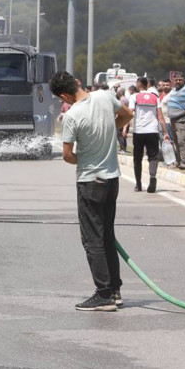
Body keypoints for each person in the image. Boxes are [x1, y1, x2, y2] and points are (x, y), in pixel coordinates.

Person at [51, 71, 133, 311]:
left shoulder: (72, 115)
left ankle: (104, 294)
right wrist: (109, 130)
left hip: (90, 182)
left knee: (92, 240)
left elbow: (68, 155)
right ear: (77, 82)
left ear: (64, 96)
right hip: (112, 179)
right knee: (107, 236)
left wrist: (84, 158)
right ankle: (115, 290)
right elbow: (127, 115)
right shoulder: (105, 96)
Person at [129, 77, 169, 193]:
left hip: (139, 131)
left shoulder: (134, 97)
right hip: (152, 131)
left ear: (138, 84)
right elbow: (160, 116)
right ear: (147, 85)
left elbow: (130, 113)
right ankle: (152, 176)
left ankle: (138, 184)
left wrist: (125, 128)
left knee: (137, 158)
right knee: (153, 156)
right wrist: (165, 132)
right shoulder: (155, 97)